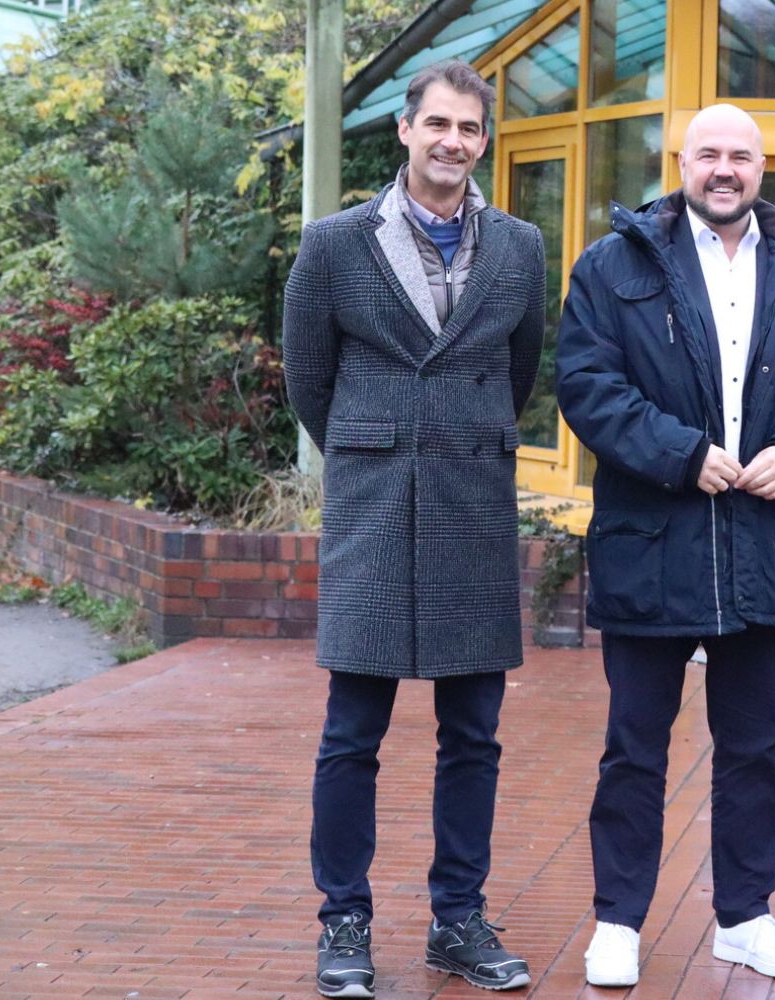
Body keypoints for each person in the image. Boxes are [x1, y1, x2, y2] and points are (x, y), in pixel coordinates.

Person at [555, 103, 775, 988]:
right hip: (653, 542)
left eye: (740, 155)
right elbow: (584, 384)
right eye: (709, 155)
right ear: (682, 162)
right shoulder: (613, 264)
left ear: (762, 167)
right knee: (634, 748)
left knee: (755, 748)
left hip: (766, 543)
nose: (724, 169)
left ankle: (745, 916)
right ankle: (617, 921)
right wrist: (682, 454)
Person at [282, 59, 545, 997]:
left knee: (473, 733)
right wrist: (379, 444)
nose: (453, 143)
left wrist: (457, 440)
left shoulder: (520, 247)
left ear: (484, 141)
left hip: (474, 501)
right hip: (374, 504)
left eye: (470, 130)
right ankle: (342, 920)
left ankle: (457, 920)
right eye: (438, 124)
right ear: (405, 130)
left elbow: (520, 372)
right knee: (353, 730)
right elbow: (308, 379)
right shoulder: (334, 243)